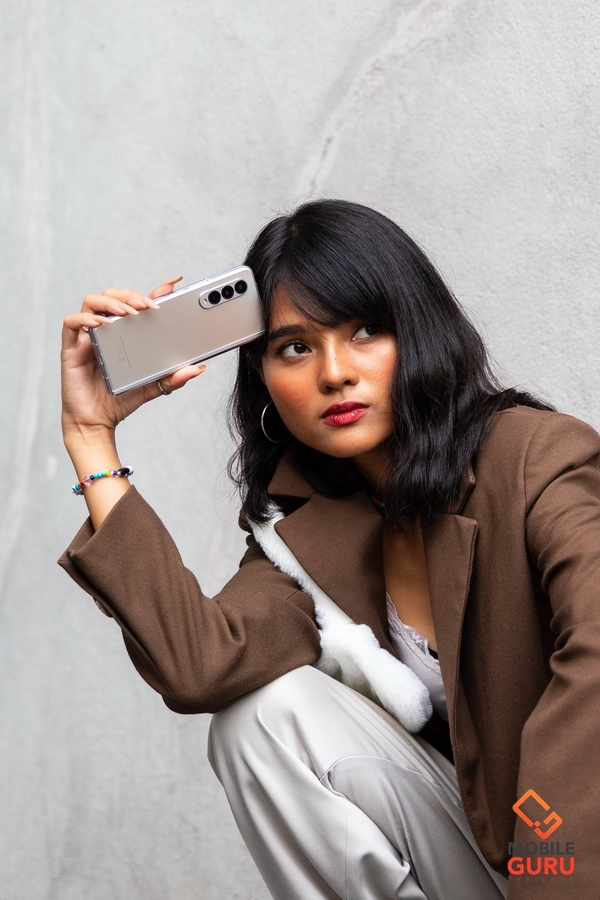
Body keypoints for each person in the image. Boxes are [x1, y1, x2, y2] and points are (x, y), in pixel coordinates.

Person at [59, 200, 597, 900]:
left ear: (419, 332)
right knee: (258, 720)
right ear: (262, 377)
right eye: (295, 347)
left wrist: (550, 875)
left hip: (566, 860)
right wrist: (91, 438)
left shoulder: (535, 458)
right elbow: (200, 668)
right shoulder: (303, 530)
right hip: (481, 859)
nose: (335, 373)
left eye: (365, 330)